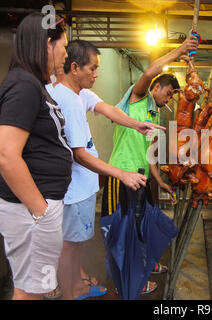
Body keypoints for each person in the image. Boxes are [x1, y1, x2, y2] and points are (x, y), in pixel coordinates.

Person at [45, 40, 165, 300]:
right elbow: (80, 155)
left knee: (74, 243)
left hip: (82, 188)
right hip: (75, 190)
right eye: (93, 68)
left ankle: (76, 281)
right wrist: (121, 174)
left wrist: (137, 125)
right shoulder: (67, 100)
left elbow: (108, 110)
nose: (97, 74)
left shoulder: (80, 93)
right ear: (75, 68)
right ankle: (71, 290)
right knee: (70, 245)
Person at [101, 35, 199, 294]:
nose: (168, 100)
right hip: (121, 176)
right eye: (167, 93)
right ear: (156, 87)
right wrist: (180, 50)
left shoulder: (154, 114)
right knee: (126, 231)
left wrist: (162, 183)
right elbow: (149, 71)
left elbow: (150, 157)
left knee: (146, 223)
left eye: (170, 98)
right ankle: (134, 280)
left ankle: (148, 264)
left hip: (142, 178)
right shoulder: (136, 98)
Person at [0, 13, 71, 300]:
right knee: (32, 293)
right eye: (63, 48)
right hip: (32, 213)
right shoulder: (24, 86)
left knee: (29, 288)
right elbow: (6, 155)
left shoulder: (30, 84)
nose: (65, 56)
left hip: (33, 212)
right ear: (46, 44)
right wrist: (41, 211)